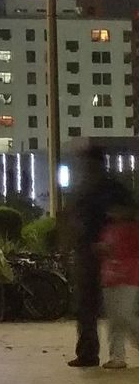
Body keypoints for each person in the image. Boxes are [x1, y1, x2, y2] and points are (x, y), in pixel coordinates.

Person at [68, 145, 133, 368]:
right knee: (99, 307)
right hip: (95, 252)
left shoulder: (100, 188)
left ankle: (96, 354)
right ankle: (94, 353)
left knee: (110, 309)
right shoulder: (105, 187)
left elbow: (127, 216)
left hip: (105, 254)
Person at [99, 203, 139, 369]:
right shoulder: (108, 230)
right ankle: (117, 356)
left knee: (124, 314)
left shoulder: (133, 230)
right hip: (111, 276)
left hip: (129, 276)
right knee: (114, 318)